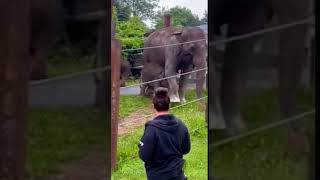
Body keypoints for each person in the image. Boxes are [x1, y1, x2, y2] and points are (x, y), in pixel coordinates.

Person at [138, 87, 191, 180]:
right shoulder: (181, 125)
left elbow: (144, 156)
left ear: (153, 105)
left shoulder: (151, 129)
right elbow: (186, 149)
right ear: (169, 104)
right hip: (178, 175)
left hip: (157, 176)